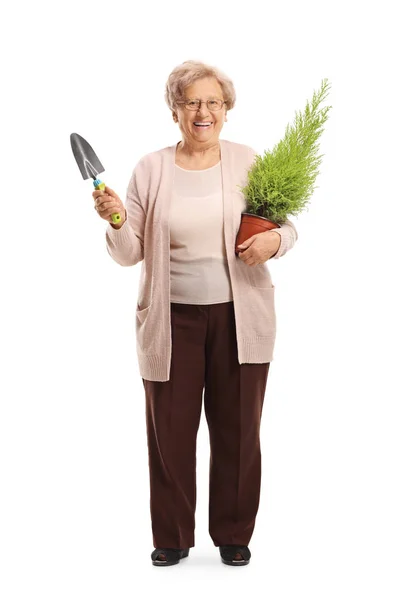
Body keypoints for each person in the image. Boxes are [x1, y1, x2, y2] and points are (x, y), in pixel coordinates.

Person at [93, 60, 298, 567]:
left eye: (213, 102)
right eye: (191, 102)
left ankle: (233, 533)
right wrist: (117, 218)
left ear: (227, 110)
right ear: (175, 111)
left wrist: (274, 240)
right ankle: (172, 536)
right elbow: (128, 252)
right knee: (170, 431)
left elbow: (286, 227)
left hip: (239, 319)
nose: (202, 111)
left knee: (238, 430)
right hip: (171, 321)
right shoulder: (151, 168)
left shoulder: (251, 162)